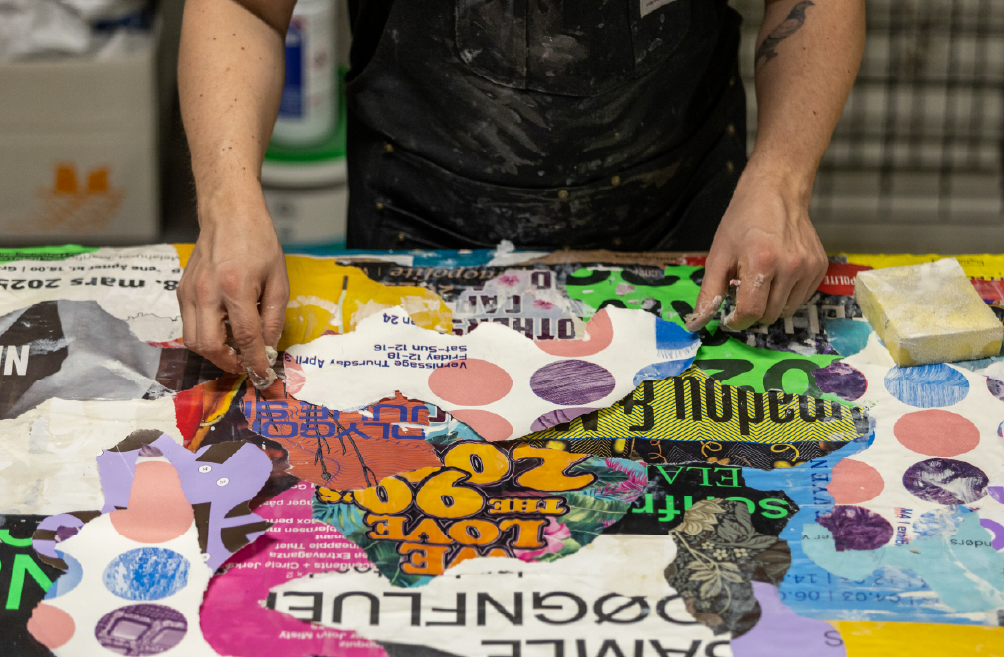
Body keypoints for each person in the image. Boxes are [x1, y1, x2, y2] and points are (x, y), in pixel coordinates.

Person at [176, 0, 865, 383]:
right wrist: (229, 203)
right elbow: (246, 8)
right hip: (419, 231)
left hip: (684, 232)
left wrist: (781, 177)